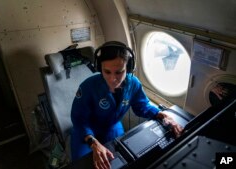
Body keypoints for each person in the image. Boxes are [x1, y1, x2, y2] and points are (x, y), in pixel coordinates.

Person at [70, 41, 183, 169]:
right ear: (99, 68)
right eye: (107, 72)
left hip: (111, 127)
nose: (113, 79)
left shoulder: (133, 83)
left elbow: (142, 106)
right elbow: (79, 120)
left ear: (128, 68)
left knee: (121, 163)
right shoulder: (87, 87)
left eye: (119, 72)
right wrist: (93, 143)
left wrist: (163, 115)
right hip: (86, 132)